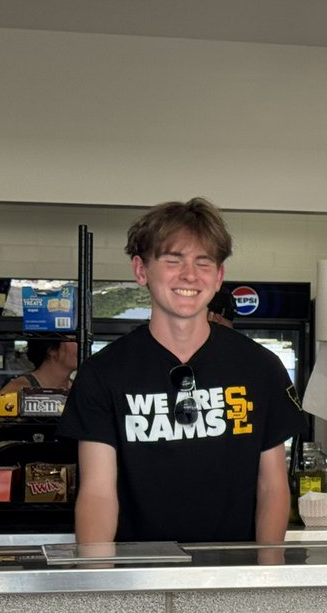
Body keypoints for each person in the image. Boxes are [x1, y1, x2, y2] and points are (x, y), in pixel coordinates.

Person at [58, 197, 306, 544]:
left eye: (203, 263)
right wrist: (97, 583)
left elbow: (272, 486)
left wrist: (264, 575)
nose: (189, 275)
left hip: (232, 579)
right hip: (139, 579)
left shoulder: (260, 368)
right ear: (141, 270)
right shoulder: (104, 373)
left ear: (219, 276)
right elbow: (98, 493)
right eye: (173, 260)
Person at [0, 338, 78, 394]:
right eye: (74, 340)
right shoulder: (18, 390)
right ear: (52, 350)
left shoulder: (79, 389)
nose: (81, 345)